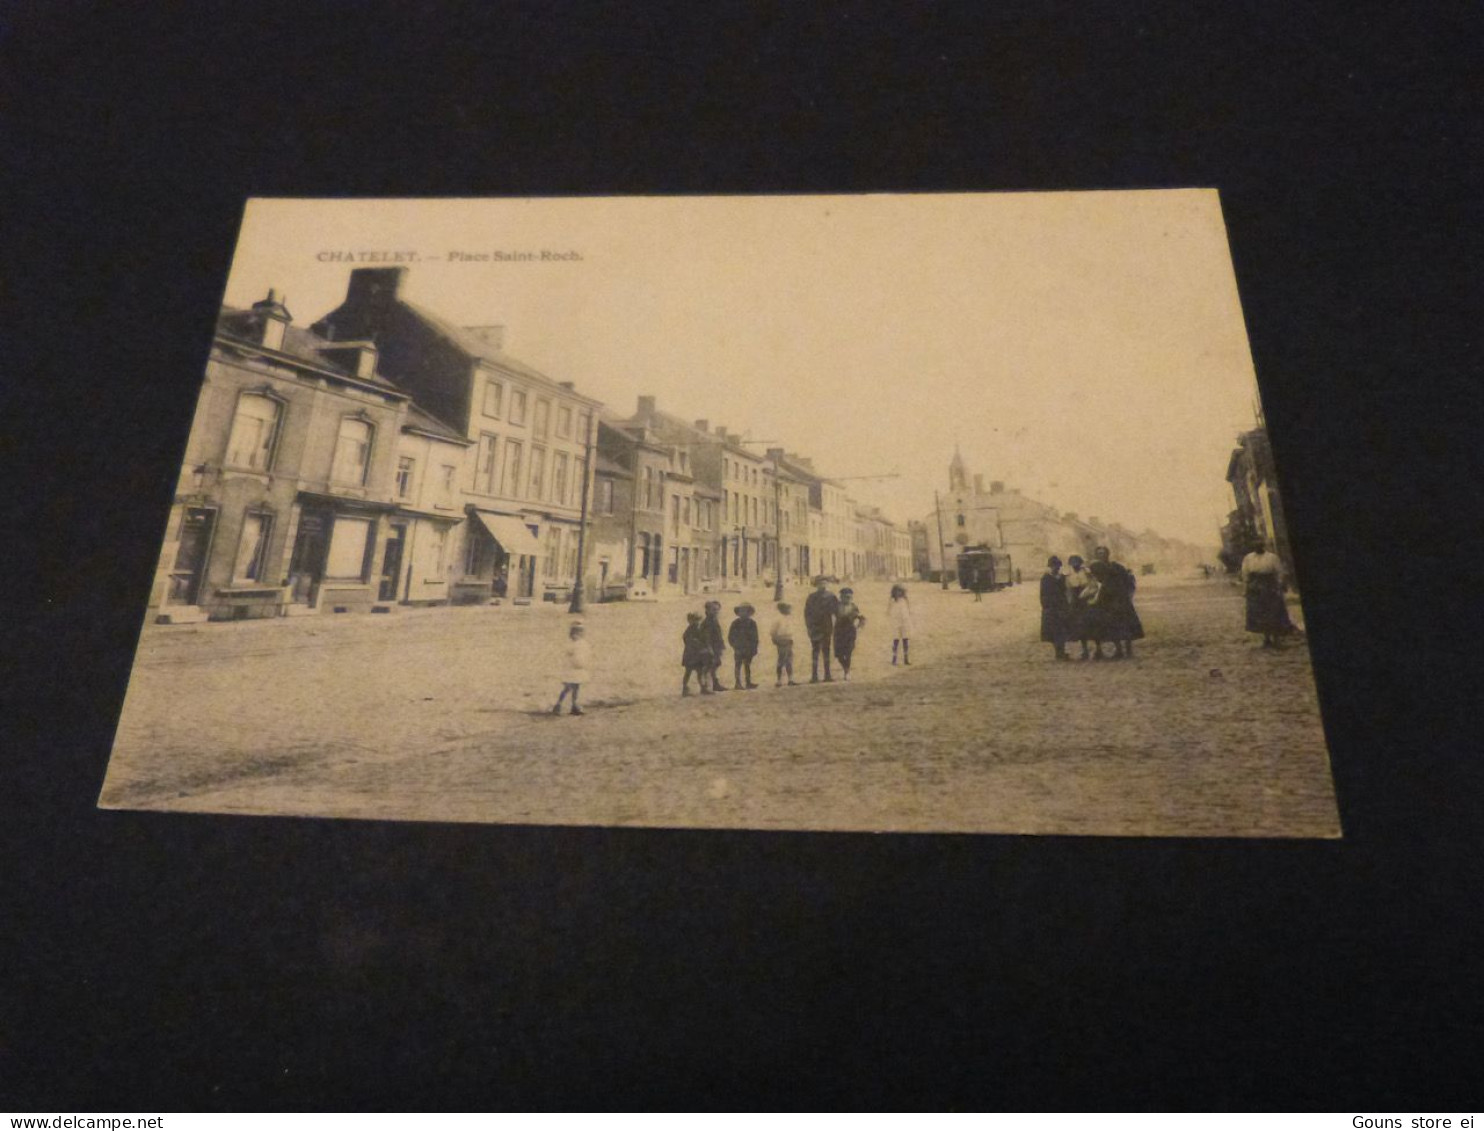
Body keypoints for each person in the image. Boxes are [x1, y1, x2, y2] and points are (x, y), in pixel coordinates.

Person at [1086, 545, 1144, 660]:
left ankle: (1126, 651)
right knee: (1105, 625)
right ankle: (1106, 651)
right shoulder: (1094, 567)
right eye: (1099, 553)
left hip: (1118, 599)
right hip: (1103, 600)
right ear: (1096, 555)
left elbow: (1127, 581)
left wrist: (1126, 595)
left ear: (1108, 554)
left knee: (1124, 624)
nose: (1101, 555)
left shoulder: (1117, 567)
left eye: (1103, 553)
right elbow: (1091, 582)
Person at [1240, 538, 1295, 648]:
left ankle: (1276, 637)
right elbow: (1245, 574)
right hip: (1255, 587)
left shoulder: (1272, 557)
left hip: (1270, 586)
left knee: (1273, 610)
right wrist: (1246, 588)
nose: (1258, 547)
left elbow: (1279, 572)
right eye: (1255, 545)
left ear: (1263, 545)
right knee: (1260, 612)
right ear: (1253, 546)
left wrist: (1279, 585)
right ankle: (1266, 638)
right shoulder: (1248, 558)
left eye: (1260, 545)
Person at [803, 576, 840, 682]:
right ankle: (814, 675)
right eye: (820, 583)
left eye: (825, 583)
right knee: (815, 651)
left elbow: (836, 612)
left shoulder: (831, 597)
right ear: (816, 585)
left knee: (826, 651)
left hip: (826, 627)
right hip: (815, 627)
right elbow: (807, 613)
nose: (823, 585)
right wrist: (809, 626)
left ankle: (827, 675)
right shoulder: (811, 597)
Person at [551, 621, 590, 716]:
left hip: (578, 668)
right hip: (571, 669)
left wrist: (583, 663)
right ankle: (558, 705)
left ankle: (574, 705)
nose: (576, 635)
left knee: (577, 687)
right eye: (574, 633)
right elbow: (568, 656)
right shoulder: (571, 645)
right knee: (567, 687)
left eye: (579, 633)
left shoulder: (583, 644)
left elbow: (585, 655)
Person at [1040, 556, 1071, 660]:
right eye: (1053, 566)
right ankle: (1058, 652)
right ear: (1050, 566)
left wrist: (1066, 605)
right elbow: (1043, 594)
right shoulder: (1045, 578)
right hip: (1050, 607)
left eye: (1057, 566)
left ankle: (1061, 651)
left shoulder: (1062, 578)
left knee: (1061, 630)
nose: (1055, 568)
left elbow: (1066, 591)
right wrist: (1045, 606)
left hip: (1061, 606)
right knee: (1052, 631)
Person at [1064, 554, 1094, 660]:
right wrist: (1069, 602)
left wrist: (1088, 595)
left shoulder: (1086, 572)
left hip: (1085, 600)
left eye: (1077, 563)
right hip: (1075, 601)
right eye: (1073, 563)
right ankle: (1073, 650)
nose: (1075, 565)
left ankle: (1088, 650)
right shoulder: (1068, 575)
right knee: (1075, 626)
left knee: (1087, 625)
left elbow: (1092, 585)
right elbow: (1067, 590)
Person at [833, 587, 866, 681]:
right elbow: (828, 615)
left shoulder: (854, 607)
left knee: (848, 653)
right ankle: (845, 668)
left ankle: (847, 672)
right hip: (838, 632)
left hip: (849, 633)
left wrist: (859, 627)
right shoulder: (836, 606)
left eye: (849, 597)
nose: (847, 599)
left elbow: (862, 618)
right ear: (841, 597)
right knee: (838, 654)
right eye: (845, 597)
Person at [728, 603, 760, 689]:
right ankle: (737, 683)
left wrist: (755, 648)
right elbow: (730, 636)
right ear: (738, 613)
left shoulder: (752, 623)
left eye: (745, 611)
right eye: (741, 611)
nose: (743, 613)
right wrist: (734, 646)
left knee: (747, 665)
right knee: (738, 665)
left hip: (749, 648)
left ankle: (748, 682)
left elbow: (755, 637)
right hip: (739, 648)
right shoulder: (735, 623)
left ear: (749, 613)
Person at [681, 611, 711, 695]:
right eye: (694, 620)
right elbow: (690, 641)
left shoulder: (698, 629)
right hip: (690, 655)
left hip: (697, 655)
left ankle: (703, 688)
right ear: (690, 621)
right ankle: (685, 688)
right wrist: (700, 646)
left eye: (698, 620)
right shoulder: (689, 631)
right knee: (688, 672)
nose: (697, 622)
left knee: (699, 671)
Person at [769, 600, 799, 687]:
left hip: (789, 640)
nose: (789, 610)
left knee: (789, 661)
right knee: (781, 660)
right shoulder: (778, 619)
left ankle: (790, 679)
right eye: (788, 608)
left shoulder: (789, 618)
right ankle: (779, 680)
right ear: (783, 609)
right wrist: (776, 641)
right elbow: (773, 632)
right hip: (781, 641)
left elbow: (791, 631)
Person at [701, 600, 727, 691]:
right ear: (707, 611)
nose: (716, 612)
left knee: (715, 664)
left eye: (717, 610)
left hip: (716, 646)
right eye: (713, 610)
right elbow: (706, 637)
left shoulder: (714, 620)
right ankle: (706, 686)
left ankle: (714, 684)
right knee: (709, 666)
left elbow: (718, 634)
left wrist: (721, 644)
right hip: (710, 647)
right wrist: (709, 648)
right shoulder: (707, 622)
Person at [887, 584, 914, 665]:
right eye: (897, 591)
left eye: (900, 591)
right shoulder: (892, 601)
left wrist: (907, 620)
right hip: (896, 622)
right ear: (894, 592)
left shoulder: (904, 600)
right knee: (896, 640)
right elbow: (889, 611)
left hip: (904, 622)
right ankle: (894, 658)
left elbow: (908, 610)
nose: (898, 593)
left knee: (905, 640)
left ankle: (906, 658)